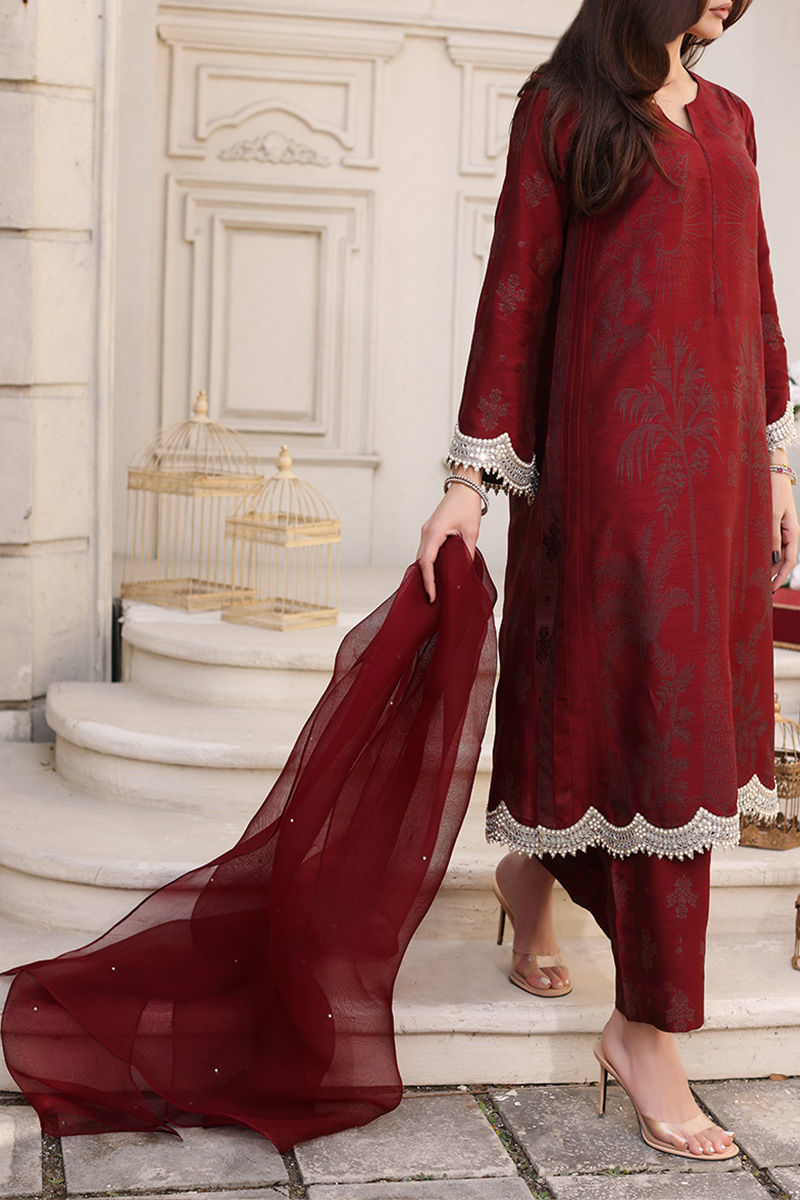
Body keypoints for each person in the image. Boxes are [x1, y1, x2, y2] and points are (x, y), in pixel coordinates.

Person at [417, 0, 798, 1163]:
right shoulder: (561, 111)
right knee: (645, 725)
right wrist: (468, 483)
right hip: (607, 477)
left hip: (718, 478)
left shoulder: (728, 117)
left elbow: (753, 293)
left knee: (678, 730)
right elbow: (514, 295)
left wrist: (776, 459)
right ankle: (645, 1029)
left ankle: (530, 873)